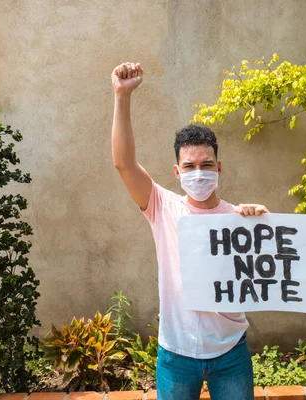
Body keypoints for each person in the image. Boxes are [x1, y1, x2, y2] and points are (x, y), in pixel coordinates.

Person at [111, 61, 268, 400]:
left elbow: (261, 271)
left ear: (219, 167)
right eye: (190, 166)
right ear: (177, 172)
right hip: (176, 355)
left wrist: (262, 226)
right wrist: (122, 96)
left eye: (206, 165)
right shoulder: (160, 205)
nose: (199, 173)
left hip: (230, 353)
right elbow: (123, 163)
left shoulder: (239, 219)